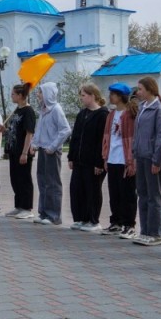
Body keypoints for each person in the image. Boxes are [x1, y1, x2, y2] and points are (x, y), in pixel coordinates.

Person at [131, 77, 161, 246]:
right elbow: (137, 133)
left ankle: (155, 232)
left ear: (149, 89)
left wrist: (157, 160)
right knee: (143, 194)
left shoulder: (158, 109)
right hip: (140, 155)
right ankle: (145, 230)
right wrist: (134, 152)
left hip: (151, 157)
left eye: (140, 89)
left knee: (154, 195)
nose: (137, 92)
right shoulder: (142, 107)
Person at [68, 83, 109, 232]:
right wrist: (71, 157)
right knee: (77, 189)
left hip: (93, 162)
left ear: (93, 96)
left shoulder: (103, 114)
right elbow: (75, 137)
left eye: (84, 95)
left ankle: (93, 220)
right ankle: (80, 218)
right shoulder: (82, 114)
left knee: (92, 190)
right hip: (79, 160)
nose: (81, 98)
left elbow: (101, 141)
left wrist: (99, 162)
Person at [31, 82, 71, 225]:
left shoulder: (56, 109)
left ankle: (54, 215)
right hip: (42, 150)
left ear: (48, 94)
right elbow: (39, 130)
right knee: (42, 181)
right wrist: (34, 144)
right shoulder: (43, 110)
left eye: (40, 92)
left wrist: (53, 146)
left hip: (51, 152)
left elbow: (65, 130)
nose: (38, 95)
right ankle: (43, 212)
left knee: (52, 183)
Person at [101, 83, 138, 239]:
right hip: (112, 159)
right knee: (114, 192)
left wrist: (132, 161)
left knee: (128, 194)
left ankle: (129, 224)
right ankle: (115, 221)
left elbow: (133, 138)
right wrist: (105, 156)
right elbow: (107, 137)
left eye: (113, 94)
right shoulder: (111, 114)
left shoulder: (130, 114)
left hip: (125, 159)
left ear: (121, 96)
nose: (110, 97)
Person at [2, 83, 36, 219]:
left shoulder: (28, 111)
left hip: (22, 151)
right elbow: (13, 130)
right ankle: (19, 206)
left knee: (24, 179)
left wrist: (24, 152)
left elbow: (29, 133)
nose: (11, 96)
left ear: (21, 95)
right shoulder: (17, 110)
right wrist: (4, 130)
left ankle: (27, 208)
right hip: (13, 150)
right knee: (15, 179)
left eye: (13, 94)